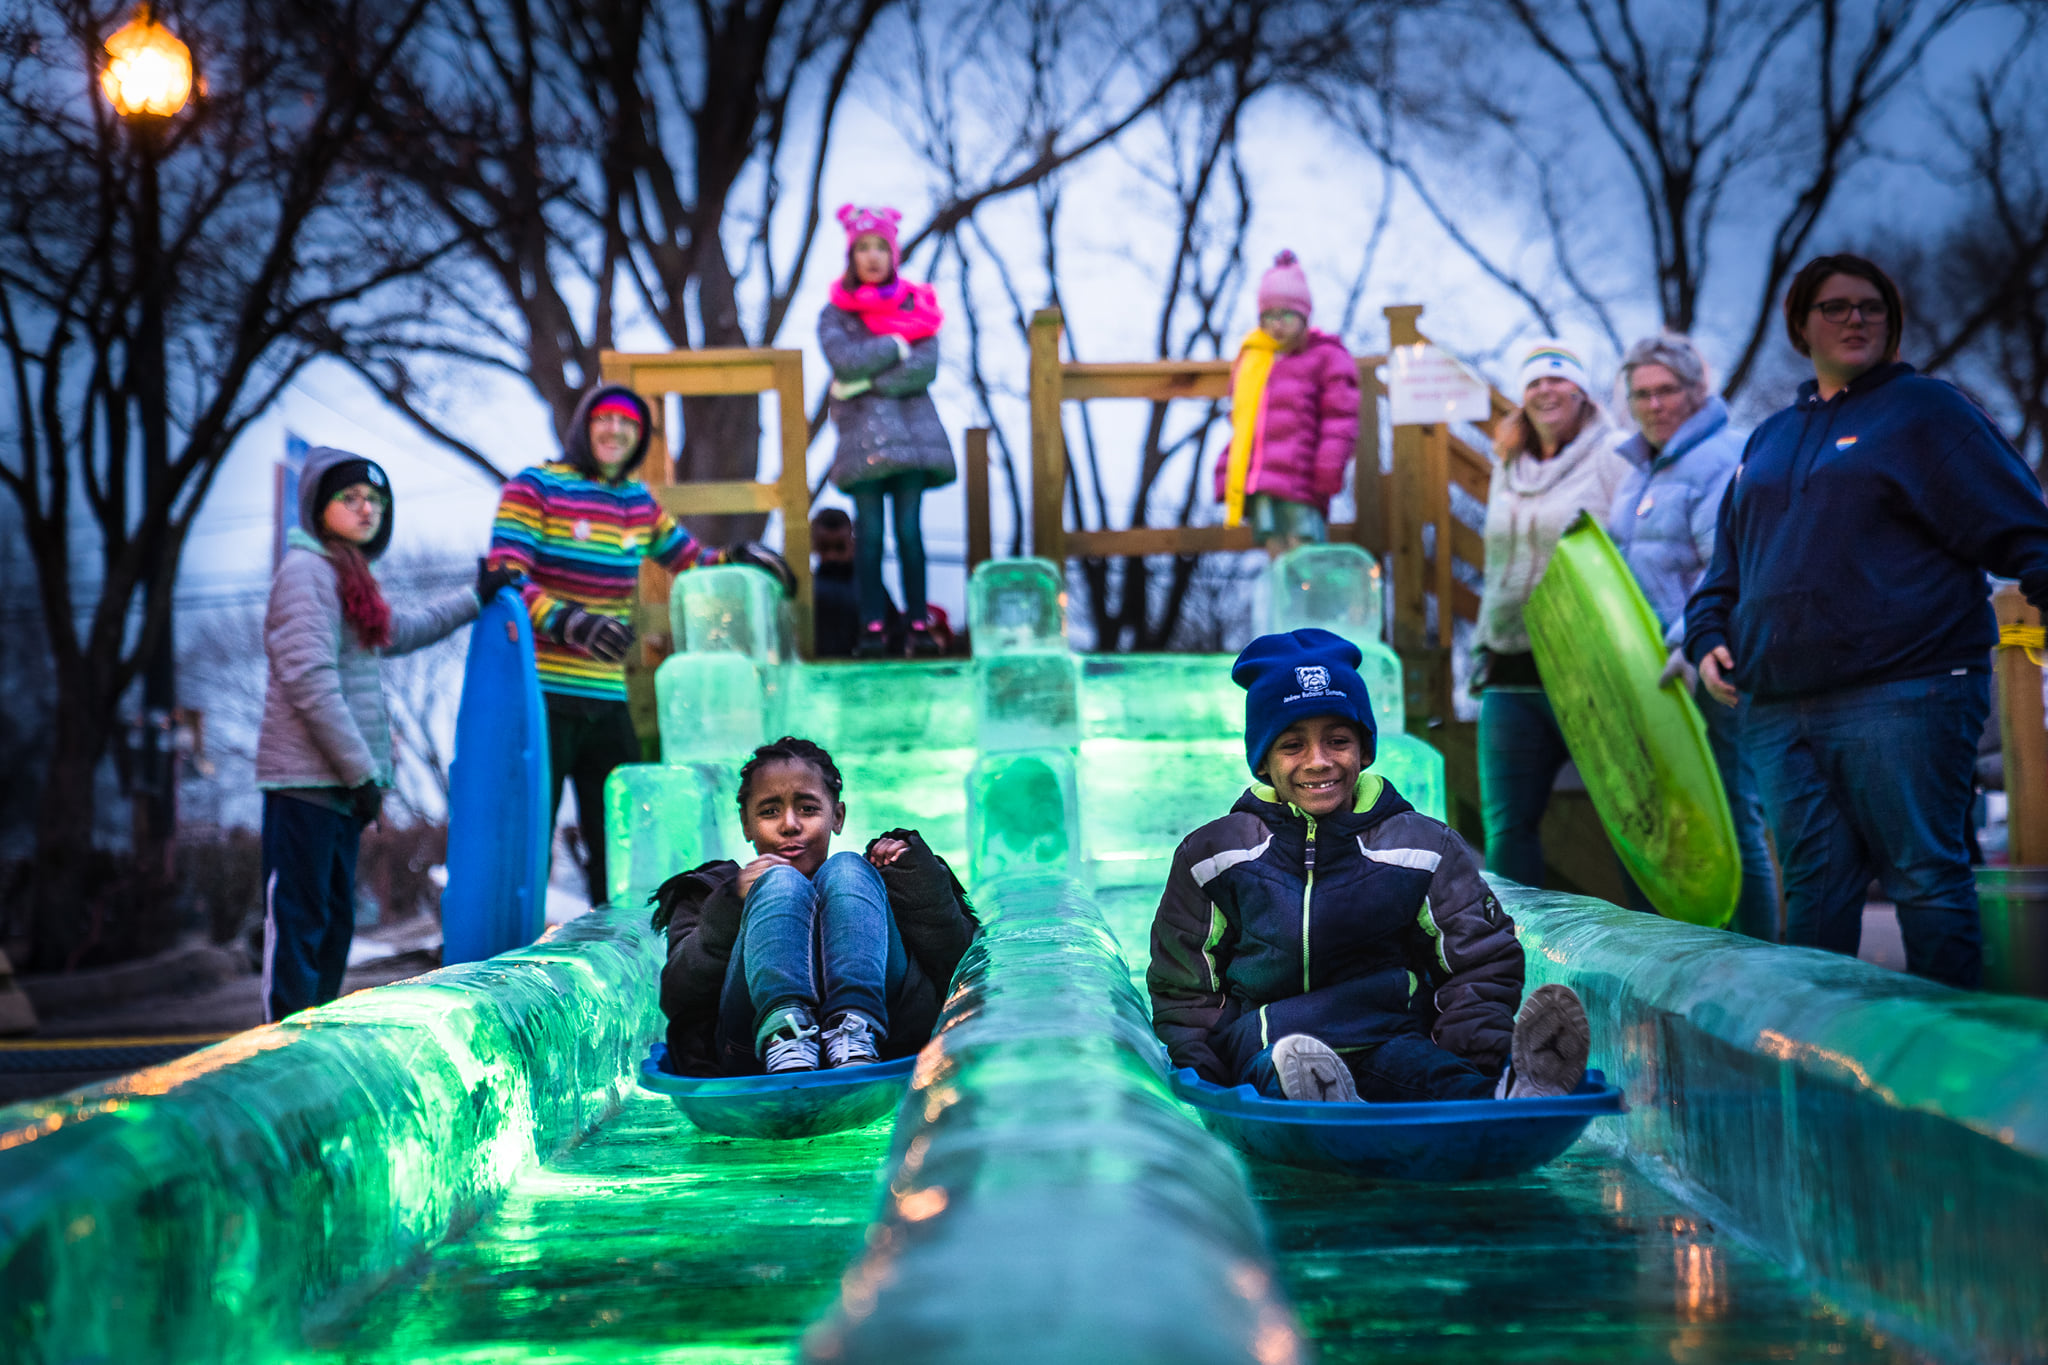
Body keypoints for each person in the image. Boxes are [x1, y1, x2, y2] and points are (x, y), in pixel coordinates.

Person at [1685, 254, 2048, 988]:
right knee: (1813, 902)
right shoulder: (1770, 438)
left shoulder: (1927, 412)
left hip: (1908, 691)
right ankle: (1826, 1077)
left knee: (1925, 881)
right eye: (1836, 306)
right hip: (1779, 708)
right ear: (1800, 325)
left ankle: (1951, 1079)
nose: (1856, 318)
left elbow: (2022, 527)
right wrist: (1707, 636)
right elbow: (1729, 565)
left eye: (1872, 307)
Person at [1147, 628, 1592, 1103]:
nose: (1319, 762)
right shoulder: (1216, 855)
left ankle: (1510, 1092)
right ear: (1263, 762)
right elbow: (1186, 985)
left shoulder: (1421, 847)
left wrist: (1476, 1054)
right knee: (1281, 1075)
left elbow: (1479, 962)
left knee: (1437, 1078)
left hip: (1390, 1038)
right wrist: (1207, 1074)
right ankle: (1324, 1102)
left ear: (1364, 750)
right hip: (1270, 1051)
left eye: (1338, 740)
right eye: (1292, 746)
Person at [488, 383, 792, 907]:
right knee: (531, 827)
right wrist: (569, 623)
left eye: (629, 425)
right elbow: (504, 574)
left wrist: (741, 556)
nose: (616, 431)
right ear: (584, 427)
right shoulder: (535, 487)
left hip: (606, 695)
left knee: (619, 829)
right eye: (605, 420)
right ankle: (515, 945)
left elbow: (690, 559)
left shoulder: (636, 503)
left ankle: (618, 937)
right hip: (541, 690)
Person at [256, 446, 515, 1021]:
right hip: (306, 781)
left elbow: (398, 631)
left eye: (375, 500)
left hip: (340, 786)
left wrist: (475, 598)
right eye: (350, 499)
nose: (366, 508)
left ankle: (314, 1041)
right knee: (300, 920)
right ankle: (277, 1050)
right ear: (318, 508)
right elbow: (310, 681)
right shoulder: (306, 574)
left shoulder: (349, 580)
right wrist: (363, 772)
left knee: (333, 921)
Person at [651, 737, 979, 1074]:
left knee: (847, 867)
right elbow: (677, 998)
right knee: (780, 880)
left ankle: (856, 1027)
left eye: (808, 809)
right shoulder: (711, 892)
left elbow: (961, 966)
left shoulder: (873, 879)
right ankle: (783, 1035)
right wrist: (731, 906)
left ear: (837, 816)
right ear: (746, 824)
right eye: (769, 811)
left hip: (886, 1039)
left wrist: (915, 879)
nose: (790, 824)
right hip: (751, 1050)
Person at [1606, 334, 1781, 941]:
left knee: (1730, 815)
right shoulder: (1638, 475)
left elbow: (1726, 568)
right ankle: (1687, 964)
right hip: (1649, 678)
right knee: (1667, 823)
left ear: (1696, 391)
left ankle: (1761, 967)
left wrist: (1687, 642)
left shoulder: (1722, 459)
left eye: (1667, 391)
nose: (1654, 405)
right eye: (1641, 394)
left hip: (1707, 663)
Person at [1471, 341, 1632, 889]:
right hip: (1509, 666)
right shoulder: (1507, 462)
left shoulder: (1613, 453)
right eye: (1535, 381)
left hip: (1589, 666)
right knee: (1507, 828)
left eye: (1559, 380)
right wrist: (1479, 646)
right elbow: (1497, 564)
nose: (1546, 390)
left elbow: (1631, 549)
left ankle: (1653, 954)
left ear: (1582, 391)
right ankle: (1512, 957)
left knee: (1629, 819)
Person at [821, 204, 956, 659]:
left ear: (893, 253)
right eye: (864, 247)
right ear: (851, 256)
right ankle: (872, 626)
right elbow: (844, 361)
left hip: (914, 439)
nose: (873, 256)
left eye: (881, 246)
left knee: (910, 531)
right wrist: (896, 345)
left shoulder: (920, 305)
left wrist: (866, 382)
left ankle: (918, 624)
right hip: (862, 441)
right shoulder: (836, 314)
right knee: (871, 535)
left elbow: (925, 368)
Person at [1214, 250, 1361, 556]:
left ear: (1304, 316)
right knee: (1275, 551)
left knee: (1305, 549)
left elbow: (1340, 418)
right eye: (1268, 316)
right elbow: (1243, 424)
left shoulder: (1326, 356)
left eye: (1286, 315)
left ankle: (1309, 602)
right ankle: (1284, 603)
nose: (1277, 324)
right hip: (1263, 480)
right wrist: (1227, 471)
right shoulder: (1254, 359)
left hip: (1303, 480)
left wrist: (1330, 465)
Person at [810, 507, 900, 658]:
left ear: (853, 542)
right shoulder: (808, 590)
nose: (832, 555)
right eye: (824, 547)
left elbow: (897, 636)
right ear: (814, 546)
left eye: (840, 547)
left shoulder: (870, 588)